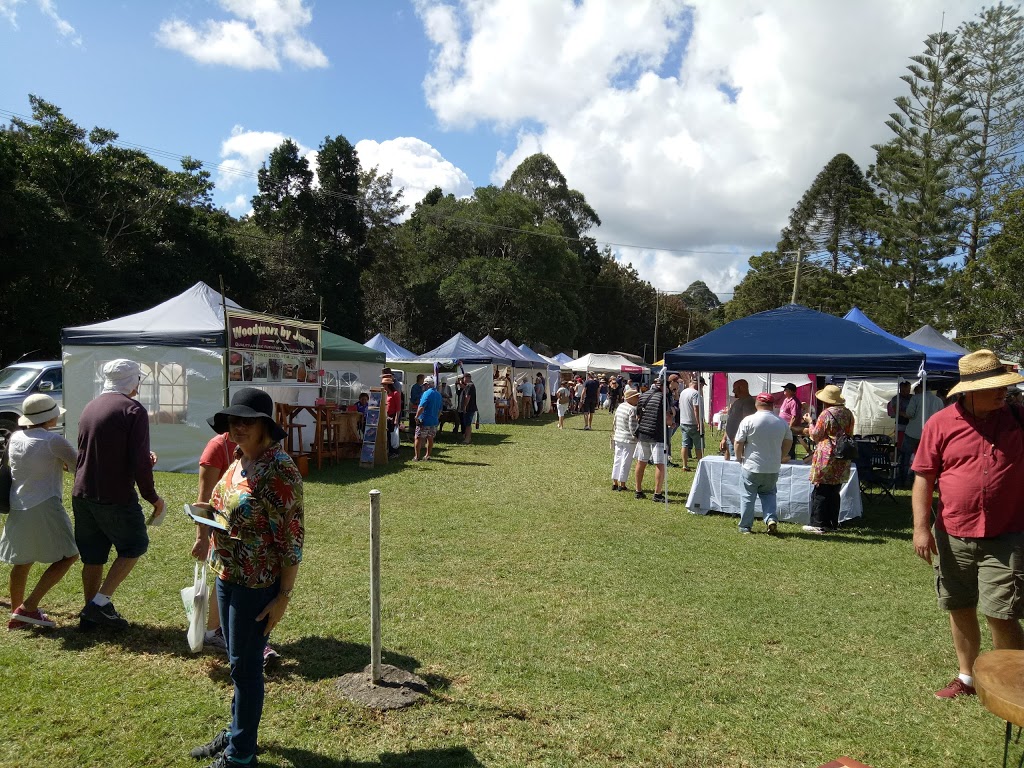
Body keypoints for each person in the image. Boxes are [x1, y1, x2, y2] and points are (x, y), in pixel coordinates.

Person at [188, 388, 303, 768]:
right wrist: (206, 524)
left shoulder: (280, 470)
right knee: (240, 664)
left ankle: (241, 756)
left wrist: (283, 596)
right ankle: (237, 732)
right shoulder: (238, 461)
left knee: (246, 666)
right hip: (228, 573)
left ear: (265, 427)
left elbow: (291, 540)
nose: (236, 427)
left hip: (257, 583)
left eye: (246, 420)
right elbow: (226, 506)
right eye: (232, 420)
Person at [911, 350, 1024, 700]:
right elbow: (923, 477)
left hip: (1008, 534)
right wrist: (920, 527)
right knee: (959, 605)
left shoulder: (1019, 418)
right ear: (969, 391)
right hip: (953, 532)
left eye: (1005, 385)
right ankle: (968, 678)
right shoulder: (941, 424)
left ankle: (1015, 688)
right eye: (995, 387)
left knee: (1002, 613)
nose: (1003, 392)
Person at [73, 359, 164, 630]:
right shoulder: (133, 409)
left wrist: (142, 459)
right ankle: (99, 605)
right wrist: (153, 498)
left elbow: (94, 448)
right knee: (135, 545)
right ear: (132, 381)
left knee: (93, 555)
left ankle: (91, 611)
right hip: (114, 495)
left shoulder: (91, 406)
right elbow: (138, 462)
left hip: (83, 492)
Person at [193, 431, 280, 665]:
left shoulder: (258, 453)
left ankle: (224, 634)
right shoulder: (216, 447)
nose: (242, 427)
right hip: (223, 533)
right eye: (237, 421)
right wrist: (201, 538)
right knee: (225, 581)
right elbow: (204, 496)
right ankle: (216, 632)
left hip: (246, 543)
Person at [1, 394, 79, 629]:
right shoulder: (53, 440)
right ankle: (28, 608)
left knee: (22, 562)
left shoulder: (15, 437)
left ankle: (18, 613)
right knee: (69, 555)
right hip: (46, 504)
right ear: (50, 417)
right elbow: (78, 466)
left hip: (19, 503)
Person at [798, 385, 855, 534]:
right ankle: (832, 523)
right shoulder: (848, 413)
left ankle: (818, 523)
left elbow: (816, 435)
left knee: (821, 489)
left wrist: (810, 422)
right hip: (842, 454)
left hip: (827, 453)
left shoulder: (826, 413)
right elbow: (850, 432)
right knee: (834, 490)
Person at [734, 393, 792, 535]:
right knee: (769, 494)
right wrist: (781, 455)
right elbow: (788, 441)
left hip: (752, 465)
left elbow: (738, 442)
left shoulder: (749, 420)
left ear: (756, 404)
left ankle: (745, 526)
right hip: (772, 467)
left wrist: (738, 457)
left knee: (748, 496)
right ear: (772, 405)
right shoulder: (781, 422)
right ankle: (771, 518)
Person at [634, 379, 671, 502]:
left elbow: (638, 415)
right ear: (664, 387)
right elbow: (667, 417)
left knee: (641, 461)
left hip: (643, 433)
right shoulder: (662, 397)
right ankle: (657, 493)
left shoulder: (643, 395)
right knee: (660, 463)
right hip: (657, 433)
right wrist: (672, 422)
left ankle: (638, 490)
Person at [902, 383, 944, 482]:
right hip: (930, 434)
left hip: (912, 433)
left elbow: (909, 414)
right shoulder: (938, 400)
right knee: (928, 459)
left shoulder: (916, 398)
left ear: (921, 387)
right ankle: (927, 480)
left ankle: (903, 479)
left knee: (906, 456)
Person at [611, 386, 640, 491]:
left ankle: (615, 482)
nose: (638, 399)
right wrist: (636, 437)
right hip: (628, 439)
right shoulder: (632, 409)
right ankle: (622, 484)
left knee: (617, 459)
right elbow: (633, 427)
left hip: (618, 437)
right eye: (636, 397)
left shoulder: (620, 406)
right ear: (630, 398)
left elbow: (614, 422)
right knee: (626, 461)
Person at [720, 379, 756, 461]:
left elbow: (748, 423)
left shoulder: (749, 402)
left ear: (742, 388)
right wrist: (724, 438)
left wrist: (740, 439)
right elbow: (729, 421)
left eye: (735, 389)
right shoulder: (737, 402)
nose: (733, 391)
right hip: (731, 439)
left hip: (738, 440)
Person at [888, 381, 912, 485]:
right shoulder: (896, 399)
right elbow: (896, 411)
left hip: (911, 429)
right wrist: (906, 414)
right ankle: (892, 474)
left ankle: (905, 476)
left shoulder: (912, 398)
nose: (905, 392)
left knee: (907, 454)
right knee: (896, 452)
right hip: (900, 428)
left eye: (907, 390)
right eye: (903, 390)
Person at [678, 377, 704, 471]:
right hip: (693, 422)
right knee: (699, 445)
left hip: (684, 421)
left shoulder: (683, 392)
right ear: (699, 384)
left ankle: (685, 465)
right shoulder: (695, 393)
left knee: (684, 444)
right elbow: (696, 408)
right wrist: (699, 423)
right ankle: (700, 465)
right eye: (701, 386)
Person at [414, 376, 443, 461]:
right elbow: (440, 409)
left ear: (427, 385)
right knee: (430, 438)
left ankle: (417, 456)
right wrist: (436, 418)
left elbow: (422, 406)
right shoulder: (438, 394)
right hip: (434, 421)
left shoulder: (426, 393)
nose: (423, 387)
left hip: (424, 420)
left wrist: (416, 416)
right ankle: (427, 455)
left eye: (424, 385)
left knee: (418, 437)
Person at [778, 383, 803, 460]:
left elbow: (794, 416)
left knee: (789, 446)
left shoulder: (794, 402)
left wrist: (790, 427)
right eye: (784, 389)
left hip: (789, 428)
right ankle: (783, 459)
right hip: (783, 426)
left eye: (786, 389)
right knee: (783, 445)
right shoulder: (786, 400)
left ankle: (790, 461)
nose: (784, 390)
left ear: (792, 391)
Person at [384, 377, 402, 458]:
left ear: (388, 385)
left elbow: (398, 408)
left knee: (393, 435)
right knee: (388, 434)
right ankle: (389, 451)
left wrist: (396, 419)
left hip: (393, 416)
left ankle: (395, 452)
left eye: (384, 385)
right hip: (386, 416)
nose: (383, 386)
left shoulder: (395, 393)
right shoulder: (386, 394)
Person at [460, 372, 478, 444]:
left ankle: (467, 439)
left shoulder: (469, 386)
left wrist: (464, 406)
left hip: (469, 408)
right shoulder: (471, 385)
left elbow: (467, 397)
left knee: (467, 424)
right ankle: (467, 437)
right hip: (471, 407)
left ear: (466, 378)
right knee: (467, 423)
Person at [408, 374, 425, 440]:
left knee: (418, 421)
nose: (423, 381)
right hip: (414, 406)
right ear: (420, 379)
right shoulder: (415, 387)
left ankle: (417, 434)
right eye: (423, 379)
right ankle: (411, 435)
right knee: (413, 420)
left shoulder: (421, 387)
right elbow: (414, 397)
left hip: (418, 406)